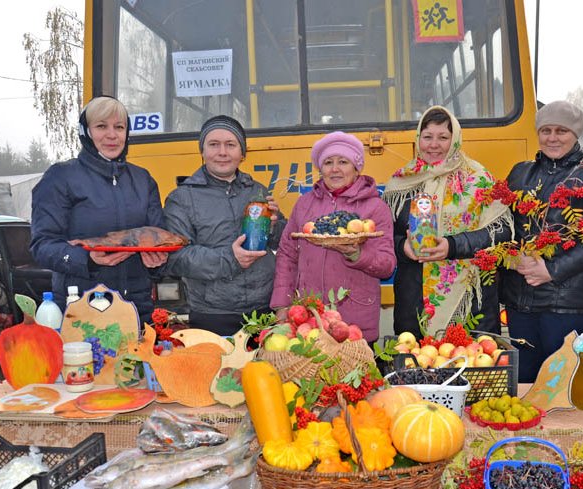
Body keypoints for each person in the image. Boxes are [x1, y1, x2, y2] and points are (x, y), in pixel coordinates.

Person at [499, 100, 583, 382]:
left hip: (567, 303)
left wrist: (552, 270)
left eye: (561, 131)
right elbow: (502, 225)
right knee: (525, 383)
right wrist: (512, 257)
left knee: (563, 385)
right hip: (521, 300)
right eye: (546, 130)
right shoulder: (520, 173)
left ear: (576, 134)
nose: (552, 137)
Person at [30, 96, 167, 321]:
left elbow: (158, 236)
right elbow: (42, 245)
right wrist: (87, 258)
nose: (112, 135)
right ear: (86, 132)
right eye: (101, 126)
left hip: (135, 308)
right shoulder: (60, 177)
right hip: (81, 309)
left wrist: (157, 260)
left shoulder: (143, 180)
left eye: (119, 127)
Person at [382, 106, 512, 336]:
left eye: (443, 137)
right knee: (419, 366)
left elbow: (501, 230)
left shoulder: (477, 177)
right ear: (418, 138)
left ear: (455, 140)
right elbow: (382, 237)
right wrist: (403, 247)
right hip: (413, 300)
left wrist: (452, 246)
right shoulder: (401, 182)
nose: (434, 145)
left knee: (467, 364)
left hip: (470, 300)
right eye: (428, 137)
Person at [162, 115, 285, 335]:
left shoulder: (256, 189)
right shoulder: (181, 198)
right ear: (202, 152)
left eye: (230, 145)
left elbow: (281, 243)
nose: (222, 152)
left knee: (266, 370)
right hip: (214, 314)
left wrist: (275, 226)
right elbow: (176, 258)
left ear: (242, 153)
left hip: (264, 309)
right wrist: (231, 259)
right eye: (213, 145)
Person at [272, 131, 395, 343]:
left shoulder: (375, 208)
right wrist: (282, 305)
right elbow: (287, 255)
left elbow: (387, 265)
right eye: (328, 162)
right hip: (310, 318)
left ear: (357, 168)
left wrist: (358, 255)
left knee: (357, 376)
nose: (335, 169)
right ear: (321, 169)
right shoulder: (304, 204)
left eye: (343, 162)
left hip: (355, 322)